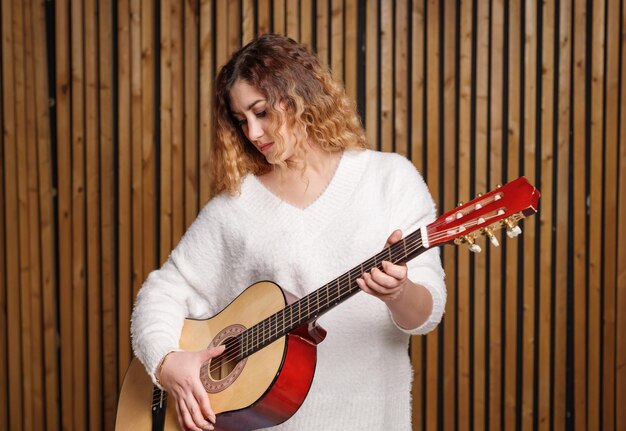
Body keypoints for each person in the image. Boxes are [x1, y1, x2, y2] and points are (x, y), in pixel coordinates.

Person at [131, 34, 446, 431]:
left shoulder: (390, 178)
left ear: (298, 95)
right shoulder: (236, 207)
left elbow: (426, 314)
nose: (254, 132)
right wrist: (166, 361)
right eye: (241, 120)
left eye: (261, 112)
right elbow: (161, 291)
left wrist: (400, 293)